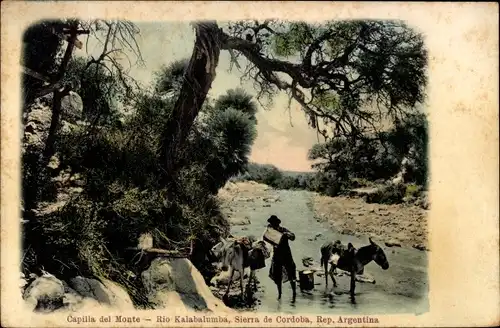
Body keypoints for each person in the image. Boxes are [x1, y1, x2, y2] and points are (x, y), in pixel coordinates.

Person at [264, 215, 297, 300]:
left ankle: (294, 293)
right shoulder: (271, 232)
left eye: (274, 223)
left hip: (286, 254)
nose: (273, 225)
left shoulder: (283, 230)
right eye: (272, 223)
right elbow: (265, 238)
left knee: (291, 272)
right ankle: (280, 294)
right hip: (278, 255)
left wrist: (287, 234)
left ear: (277, 223)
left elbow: (293, 237)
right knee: (277, 275)